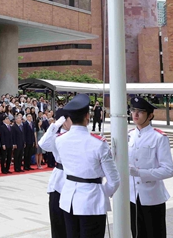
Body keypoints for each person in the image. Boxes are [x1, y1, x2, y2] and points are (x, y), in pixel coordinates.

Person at [55, 93, 120, 238]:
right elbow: (114, 180)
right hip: (92, 202)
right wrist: (102, 193)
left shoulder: (60, 140)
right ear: (87, 116)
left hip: (68, 200)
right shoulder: (98, 143)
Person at [127, 96, 173, 238]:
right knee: (136, 233)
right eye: (133, 110)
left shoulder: (159, 137)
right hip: (133, 196)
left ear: (150, 116)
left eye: (140, 111)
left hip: (152, 196)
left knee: (155, 234)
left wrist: (140, 173)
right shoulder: (129, 135)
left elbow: (168, 170)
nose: (135, 114)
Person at [37, 109, 70, 238]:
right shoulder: (56, 137)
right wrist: (55, 125)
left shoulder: (77, 135)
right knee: (58, 222)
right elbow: (43, 144)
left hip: (75, 181)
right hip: (59, 180)